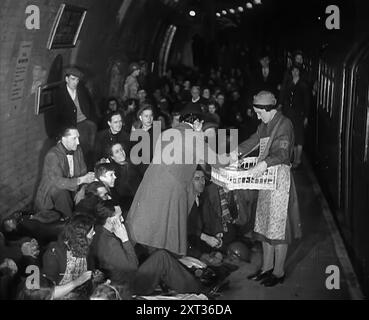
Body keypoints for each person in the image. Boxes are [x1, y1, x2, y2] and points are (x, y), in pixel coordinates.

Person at [125, 106, 209, 256]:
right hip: (170, 188)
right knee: (165, 229)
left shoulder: (168, 133)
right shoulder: (194, 136)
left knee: (149, 223)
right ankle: (161, 261)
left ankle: (145, 256)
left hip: (151, 183)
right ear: (197, 123)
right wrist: (235, 157)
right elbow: (214, 160)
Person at [237, 91, 301, 286]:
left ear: (268, 109)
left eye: (259, 112)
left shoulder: (285, 124)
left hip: (280, 180)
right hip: (266, 179)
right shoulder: (265, 125)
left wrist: (263, 164)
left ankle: (279, 272)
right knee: (264, 223)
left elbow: (282, 152)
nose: (257, 116)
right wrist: (235, 153)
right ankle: (266, 268)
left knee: (278, 229)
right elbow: (253, 140)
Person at [88, 201, 203, 296]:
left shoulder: (99, 231)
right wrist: (125, 239)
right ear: (110, 220)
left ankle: (188, 282)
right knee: (162, 258)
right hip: (127, 286)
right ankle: (197, 291)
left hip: (120, 279)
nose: (122, 219)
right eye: (119, 216)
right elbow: (132, 267)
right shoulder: (109, 243)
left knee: (157, 254)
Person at [35, 127, 95, 218]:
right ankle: (67, 223)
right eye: (74, 138)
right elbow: (58, 182)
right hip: (53, 194)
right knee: (62, 193)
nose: (78, 142)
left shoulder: (78, 150)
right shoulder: (52, 155)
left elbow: (83, 172)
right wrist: (82, 180)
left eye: (78, 138)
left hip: (72, 189)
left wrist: (82, 190)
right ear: (63, 139)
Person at [41, 215, 96, 299]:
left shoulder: (85, 247)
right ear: (81, 236)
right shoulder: (53, 255)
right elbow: (48, 294)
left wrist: (94, 275)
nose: (94, 233)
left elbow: (89, 270)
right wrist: (76, 282)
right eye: (92, 232)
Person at [55, 67, 98, 168]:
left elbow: (90, 103)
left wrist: (93, 120)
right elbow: (57, 115)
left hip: (86, 123)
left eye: (77, 80)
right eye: (73, 79)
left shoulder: (81, 90)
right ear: (66, 79)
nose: (75, 82)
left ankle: (91, 169)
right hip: (73, 126)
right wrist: (60, 134)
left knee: (91, 149)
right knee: (79, 151)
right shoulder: (60, 94)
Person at [280, 65, 310, 168]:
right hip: (289, 114)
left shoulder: (303, 85)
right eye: (293, 71)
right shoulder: (288, 83)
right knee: (291, 135)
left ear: (299, 72)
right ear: (291, 72)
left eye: (297, 71)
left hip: (299, 115)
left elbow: (307, 102)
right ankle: (292, 158)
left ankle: (298, 159)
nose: (295, 73)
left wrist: (306, 116)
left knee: (299, 137)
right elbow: (284, 97)